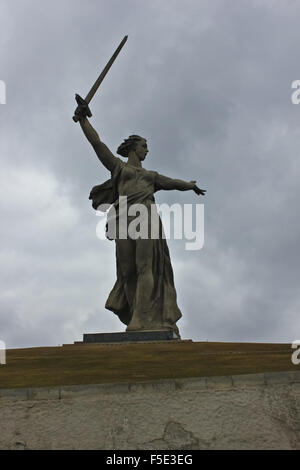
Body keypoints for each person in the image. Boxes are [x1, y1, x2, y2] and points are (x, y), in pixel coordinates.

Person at [74, 102, 206, 337]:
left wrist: (190, 186)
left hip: (145, 216)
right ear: (133, 148)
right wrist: (84, 120)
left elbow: (173, 183)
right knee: (127, 271)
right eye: (144, 146)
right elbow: (97, 144)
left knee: (145, 266)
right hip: (123, 217)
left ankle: (140, 318)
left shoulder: (150, 176)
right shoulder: (119, 168)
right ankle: (136, 311)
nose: (147, 150)